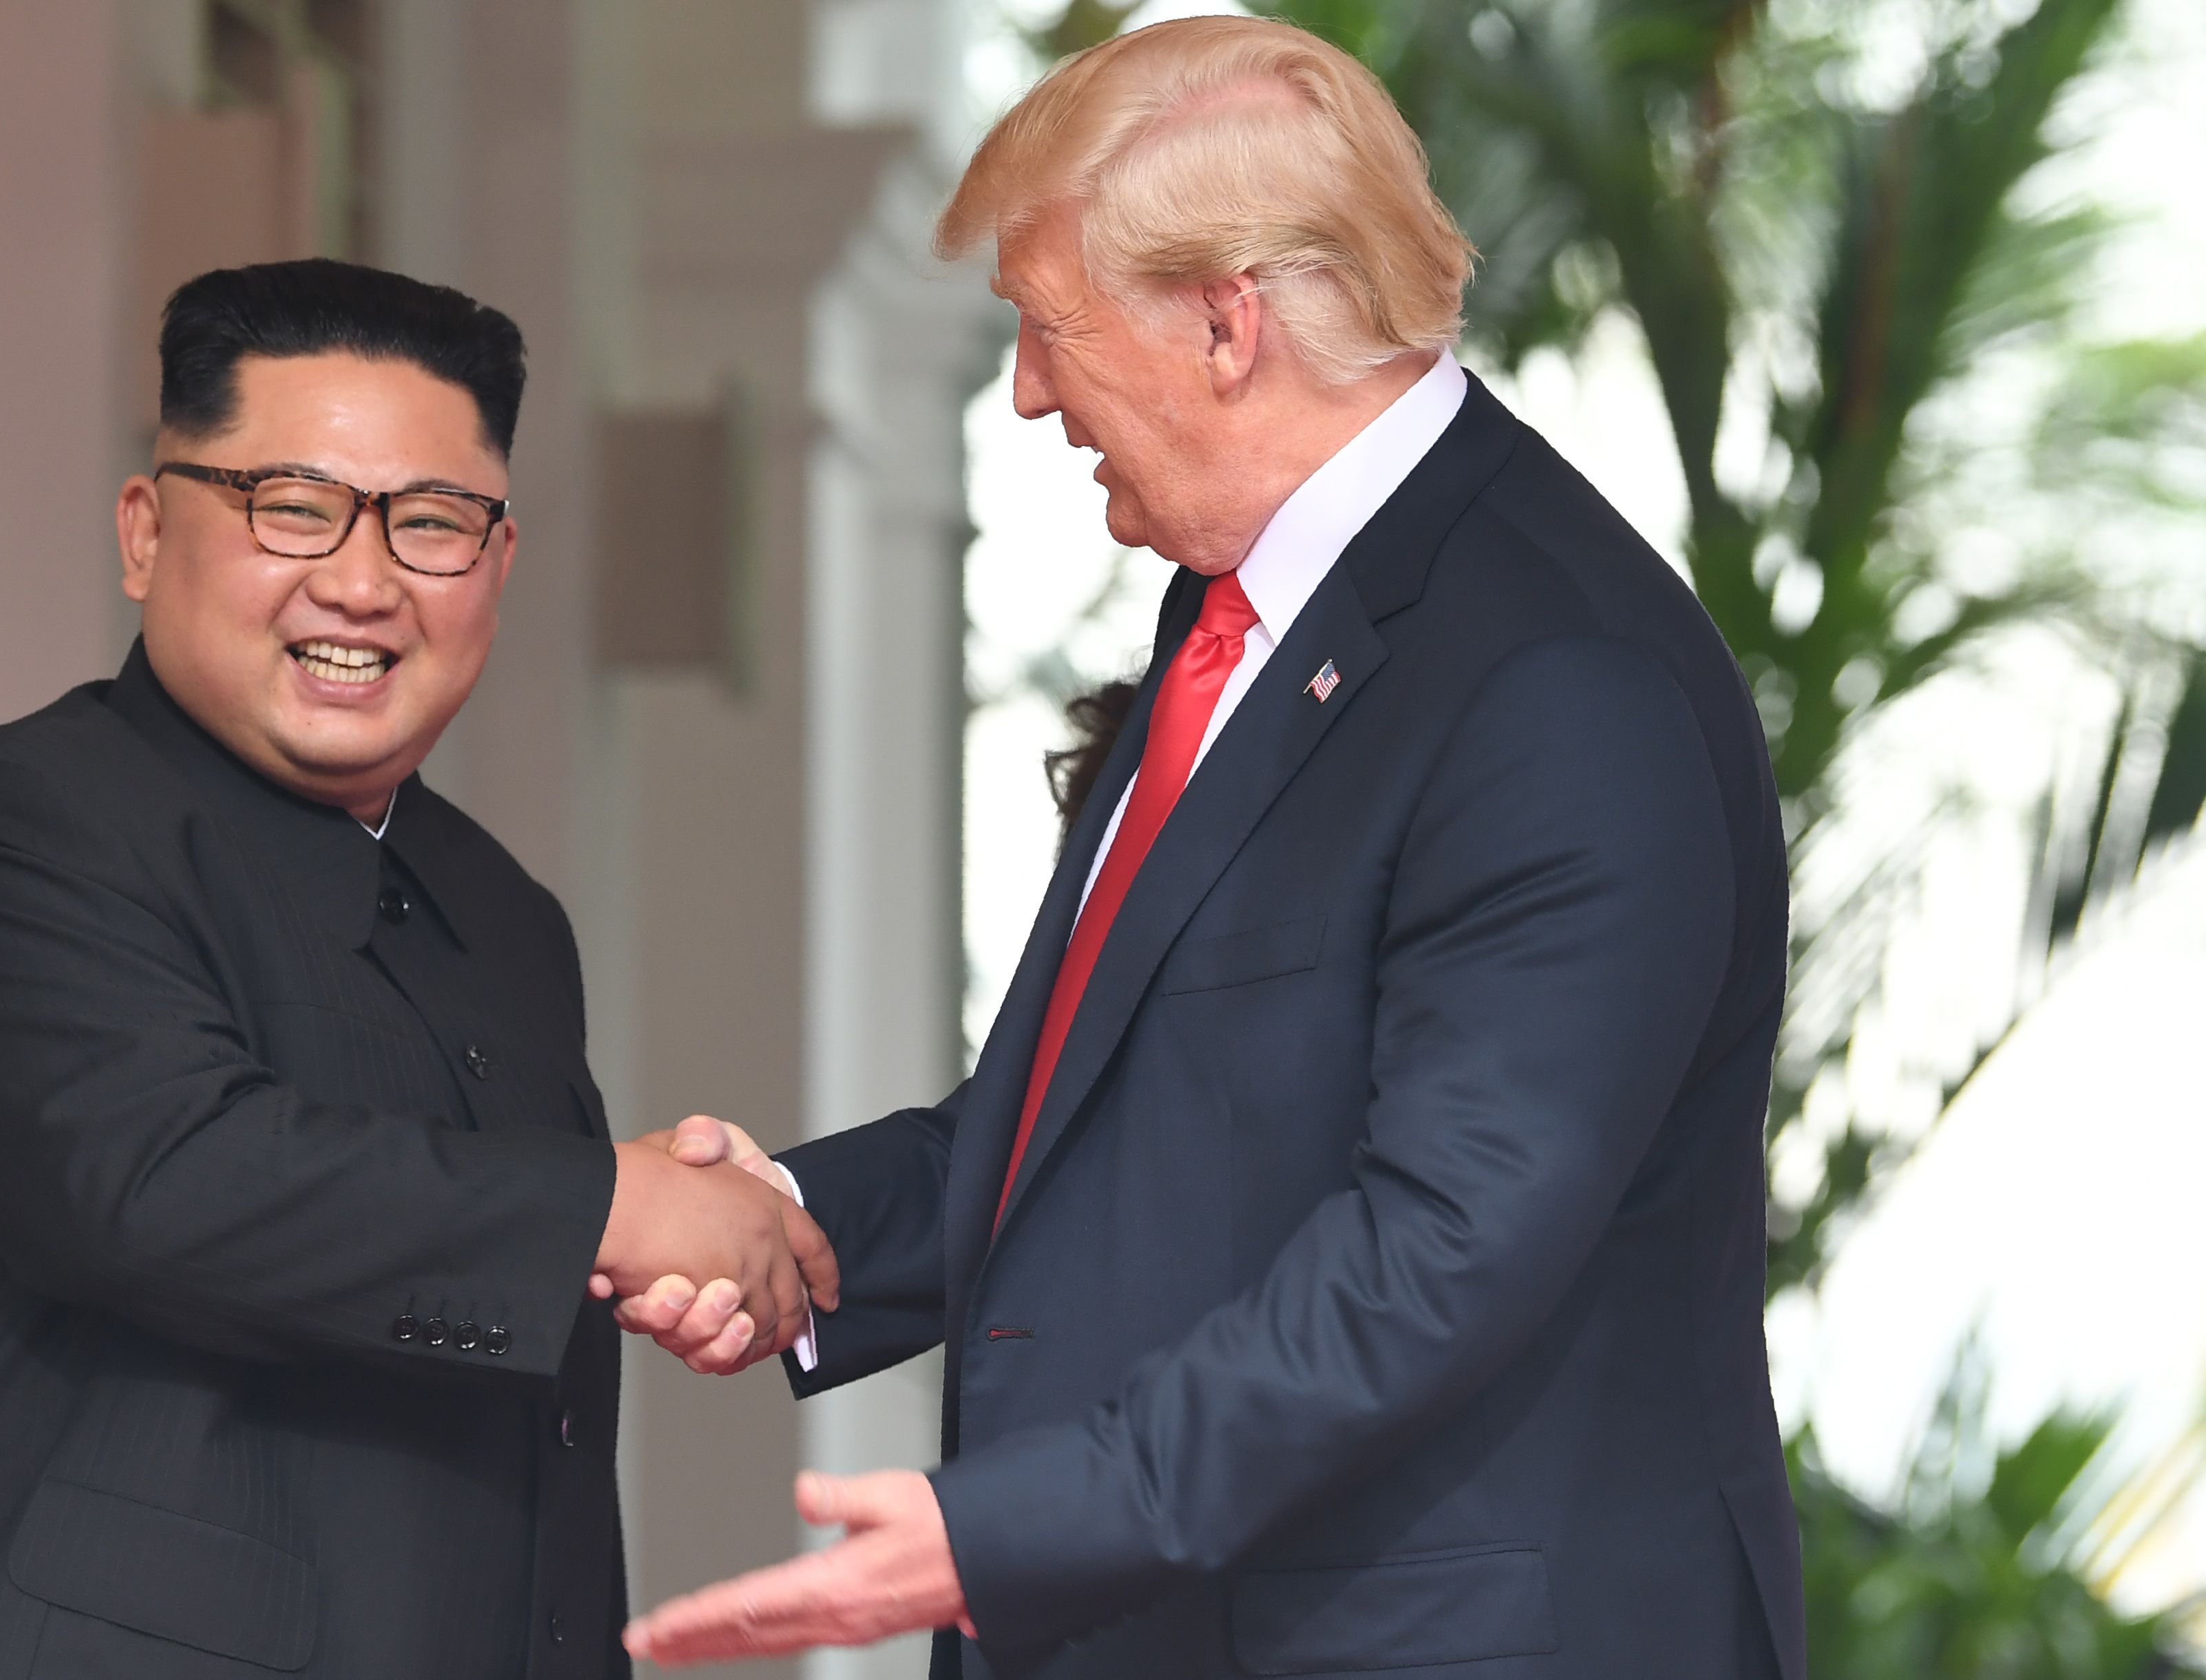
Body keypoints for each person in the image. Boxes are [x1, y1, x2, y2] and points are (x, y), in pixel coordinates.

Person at [612, 18, 1801, 1679]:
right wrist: (801, 1228)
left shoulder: (1555, 679)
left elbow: (1442, 1250)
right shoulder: (1233, 610)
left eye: (1047, 329)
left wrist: (1008, 1526)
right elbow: (1122, 1124)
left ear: (1225, 320)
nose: (1027, 392)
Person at [0, 258, 833, 1680]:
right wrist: (615, 1208)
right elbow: (160, 1182)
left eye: (434, 525)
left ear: (498, 569)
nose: (361, 580)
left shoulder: (504, 914)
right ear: (146, 534)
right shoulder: (3, 828)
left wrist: (661, 1243)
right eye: (292, 505)